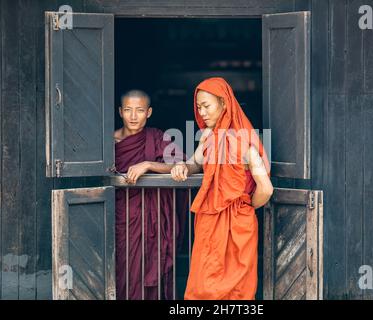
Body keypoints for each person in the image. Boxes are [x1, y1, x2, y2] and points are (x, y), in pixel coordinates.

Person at [171, 77, 273, 300]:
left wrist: (244, 206)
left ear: (224, 103)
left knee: (238, 287)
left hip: (239, 223)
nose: (202, 112)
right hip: (210, 221)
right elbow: (195, 162)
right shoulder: (207, 136)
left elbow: (266, 189)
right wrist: (183, 166)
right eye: (198, 107)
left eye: (206, 106)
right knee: (203, 283)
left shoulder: (245, 142)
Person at [114, 90, 185, 300]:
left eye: (139, 110)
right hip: (121, 215)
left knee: (150, 264)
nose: (133, 116)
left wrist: (148, 165)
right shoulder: (108, 142)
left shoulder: (157, 137)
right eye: (128, 110)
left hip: (150, 218)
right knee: (123, 265)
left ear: (149, 112)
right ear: (120, 111)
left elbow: (182, 163)